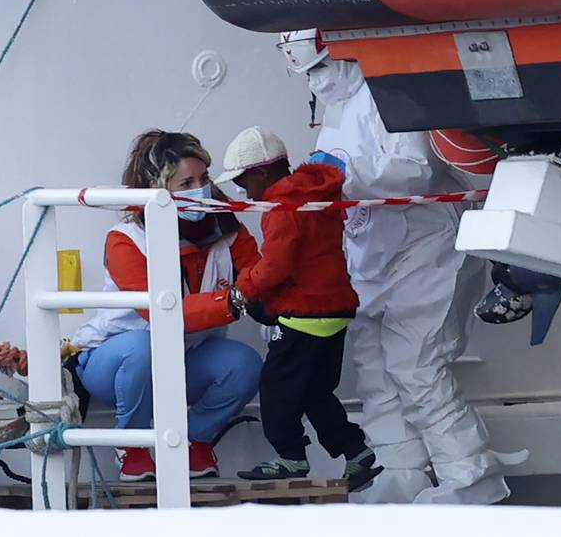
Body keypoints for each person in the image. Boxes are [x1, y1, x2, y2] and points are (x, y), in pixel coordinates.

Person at [277, 29, 511, 504]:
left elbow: (415, 169)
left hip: (428, 250)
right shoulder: (338, 108)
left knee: (417, 367)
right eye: (309, 73)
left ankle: (471, 478)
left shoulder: (388, 91)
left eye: (321, 68)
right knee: (375, 370)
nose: (317, 81)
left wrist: (340, 174)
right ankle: (400, 469)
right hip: (372, 255)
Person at [64, 130, 263, 482]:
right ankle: (132, 446)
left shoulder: (227, 229)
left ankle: (195, 440)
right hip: (112, 363)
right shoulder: (126, 240)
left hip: (183, 358)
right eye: (186, 181)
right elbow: (160, 313)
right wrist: (232, 300)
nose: (200, 189)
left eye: (203, 178)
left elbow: (257, 275)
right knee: (145, 345)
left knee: (245, 364)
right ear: (158, 188)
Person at [213, 126, 384, 491]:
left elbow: (276, 266)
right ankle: (357, 454)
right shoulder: (314, 194)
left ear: (261, 172)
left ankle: (290, 457)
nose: (242, 191)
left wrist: (243, 292)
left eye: (242, 181)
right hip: (335, 310)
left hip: (303, 316)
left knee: (276, 390)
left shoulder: (281, 205)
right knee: (315, 393)